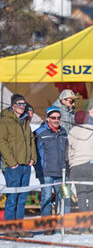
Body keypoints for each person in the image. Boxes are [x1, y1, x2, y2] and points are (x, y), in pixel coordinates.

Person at [0, 95, 36, 232]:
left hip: (26, 165)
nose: (22, 107)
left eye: (24, 104)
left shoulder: (25, 121)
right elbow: (2, 142)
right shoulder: (5, 120)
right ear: (13, 105)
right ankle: (10, 228)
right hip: (13, 166)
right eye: (19, 104)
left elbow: (31, 140)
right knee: (12, 198)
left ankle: (19, 226)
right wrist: (11, 162)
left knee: (22, 198)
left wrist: (32, 158)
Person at [34, 106, 68, 224]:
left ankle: (63, 224)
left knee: (65, 198)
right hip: (46, 172)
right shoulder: (39, 133)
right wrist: (39, 171)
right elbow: (35, 154)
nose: (56, 120)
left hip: (62, 172)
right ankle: (47, 225)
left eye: (58, 117)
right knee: (46, 198)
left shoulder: (63, 131)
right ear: (47, 118)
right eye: (53, 117)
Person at [67, 111, 93, 222]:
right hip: (91, 165)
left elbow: (68, 151)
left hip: (77, 166)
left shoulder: (71, 133)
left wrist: (71, 164)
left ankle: (84, 223)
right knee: (92, 194)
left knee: (81, 195)